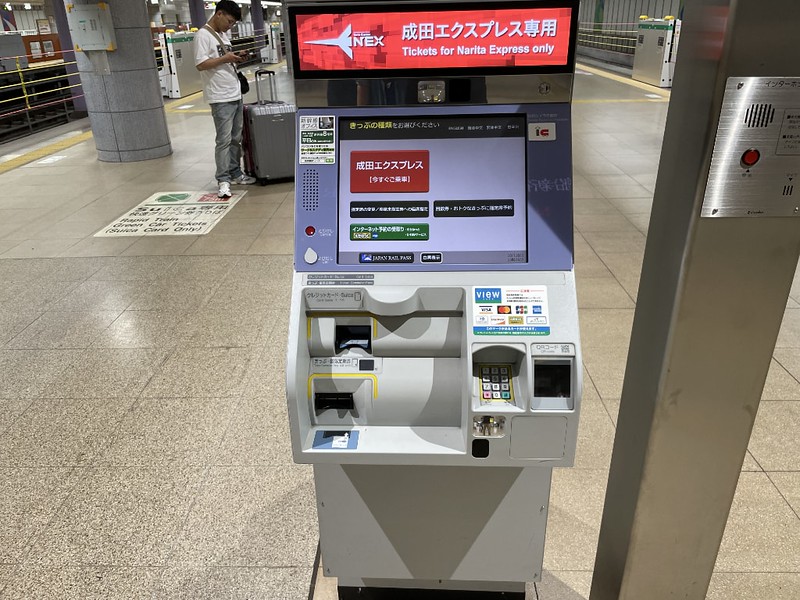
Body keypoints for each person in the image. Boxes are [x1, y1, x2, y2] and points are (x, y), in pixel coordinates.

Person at [194, 0, 256, 198]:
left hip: (234, 93)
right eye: (229, 21)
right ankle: (223, 179)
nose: (230, 26)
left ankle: (235, 172)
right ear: (219, 14)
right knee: (224, 140)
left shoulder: (222, 35)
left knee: (235, 139)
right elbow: (201, 64)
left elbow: (222, 59)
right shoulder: (203, 35)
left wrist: (236, 57)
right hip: (220, 96)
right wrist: (226, 58)